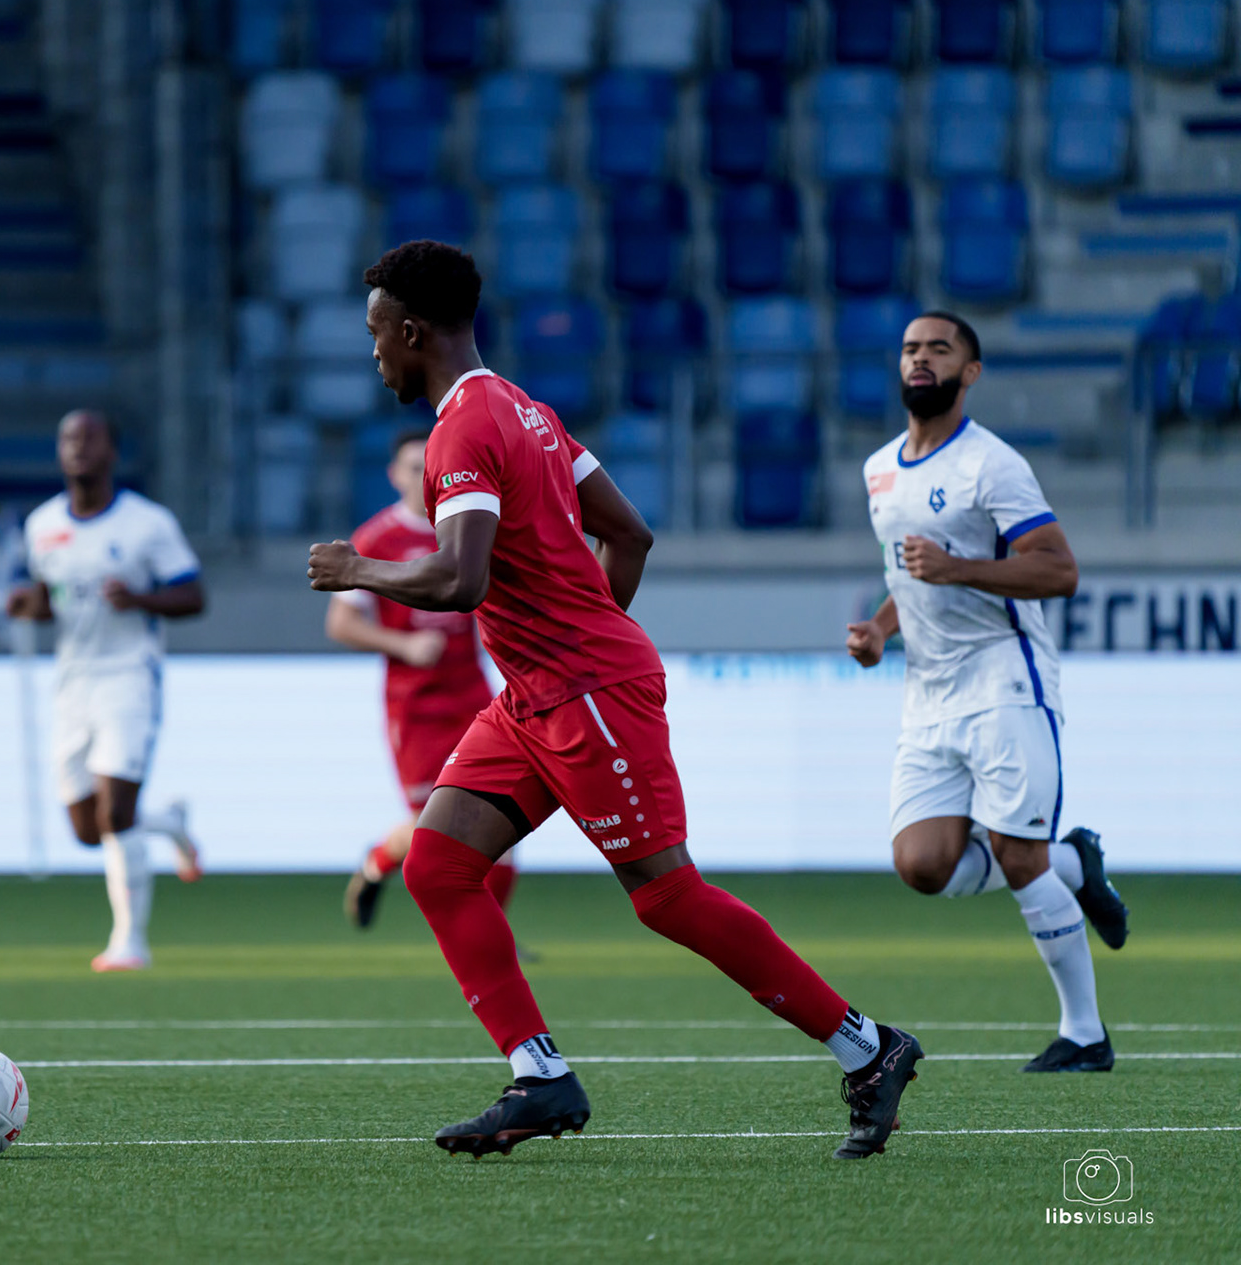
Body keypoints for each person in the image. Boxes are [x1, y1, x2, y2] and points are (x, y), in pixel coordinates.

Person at [307, 241, 922, 1161]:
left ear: (410, 330)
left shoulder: (462, 431)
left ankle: (869, 1050)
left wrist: (359, 568)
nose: (374, 356)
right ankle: (541, 1076)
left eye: (375, 337)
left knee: (667, 895)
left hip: (584, 691)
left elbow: (462, 578)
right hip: (539, 694)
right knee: (436, 864)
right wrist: (581, 632)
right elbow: (628, 533)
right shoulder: (530, 412)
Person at [846, 311, 1128, 1073]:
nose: (922, 358)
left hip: (1004, 679)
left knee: (1015, 853)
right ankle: (1075, 863)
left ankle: (1084, 1034)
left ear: (969, 373)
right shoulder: (879, 469)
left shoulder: (991, 465)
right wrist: (879, 628)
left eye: (940, 348)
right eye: (911, 347)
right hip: (927, 694)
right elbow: (910, 576)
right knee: (922, 865)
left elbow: (1059, 570)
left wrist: (960, 568)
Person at [6, 410, 205, 973]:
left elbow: (193, 596)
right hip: (73, 682)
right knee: (88, 830)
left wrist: (140, 599)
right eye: (69, 438)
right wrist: (28, 606)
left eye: (91, 438)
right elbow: (51, 598)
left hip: (129, 677)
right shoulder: (43, 524)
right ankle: (168, 823)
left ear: (113, 453)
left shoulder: (147, 524)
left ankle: (129, 942)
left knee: (116, 812)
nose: (78, 447)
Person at [327, 426, 513, 930]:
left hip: (474, 694)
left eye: (428, 468)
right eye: (412, 468)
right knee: (440, 824)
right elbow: (341, 623)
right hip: (417, 705)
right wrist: (404, 645)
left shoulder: (464, 527)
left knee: (505, 820)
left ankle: (493, 936)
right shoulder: (376, 539)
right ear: (393, 476)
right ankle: (378, 863)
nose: (422, 478)